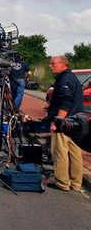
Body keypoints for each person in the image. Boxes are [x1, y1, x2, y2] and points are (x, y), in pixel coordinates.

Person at [45, 56, 84, 192]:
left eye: (53, 63)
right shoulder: (73, 78)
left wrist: (58, 121)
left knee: (60, 151)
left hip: (64, 123)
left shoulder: (64, 79)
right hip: (76, 122)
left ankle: (62, 182)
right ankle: (76, 183)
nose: (51, 66)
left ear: (63, 64)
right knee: (75, 152)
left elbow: (66, 100)